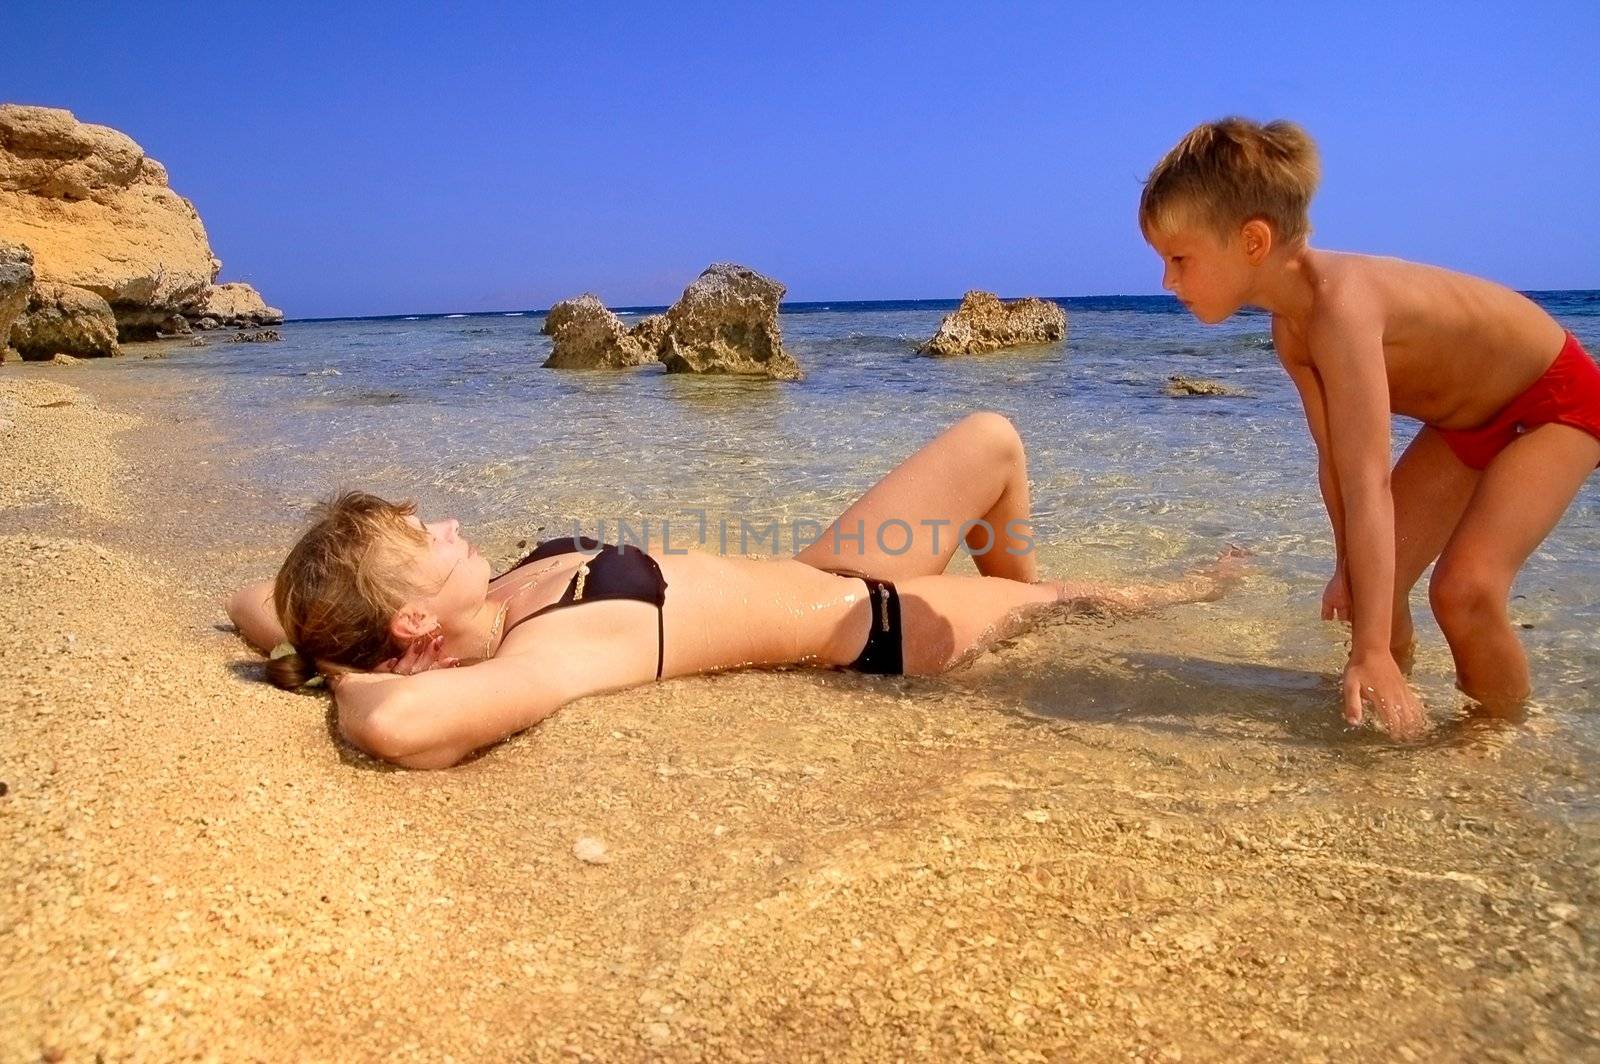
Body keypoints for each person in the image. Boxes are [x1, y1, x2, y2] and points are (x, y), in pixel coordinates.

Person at [229, 412, 1239, 769]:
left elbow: (255, 599)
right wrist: (344, 680)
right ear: (411, 618)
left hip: (831, 568)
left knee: (990, 439)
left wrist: (312, 650)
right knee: (1110, 603)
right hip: (868, 626)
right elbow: (403, 722)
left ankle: (1029, 600)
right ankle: (1174, 592)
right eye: (421, 536)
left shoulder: (491, 595)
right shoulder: (555, 652)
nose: (444, 524)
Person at [1140, 117, 1600, 739]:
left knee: (1463, 591)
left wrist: (1371, 646)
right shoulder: (1290, 328)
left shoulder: (1342, 307)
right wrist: (1345, 567)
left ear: (1252, 242)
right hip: (1465, 426)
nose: (1167, 281)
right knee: (1367, 590)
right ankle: (1391, 722)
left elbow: (1368, 482)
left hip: (1554, 401)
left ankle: (1502, 735)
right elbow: (1335, 464)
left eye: (1178, 259)